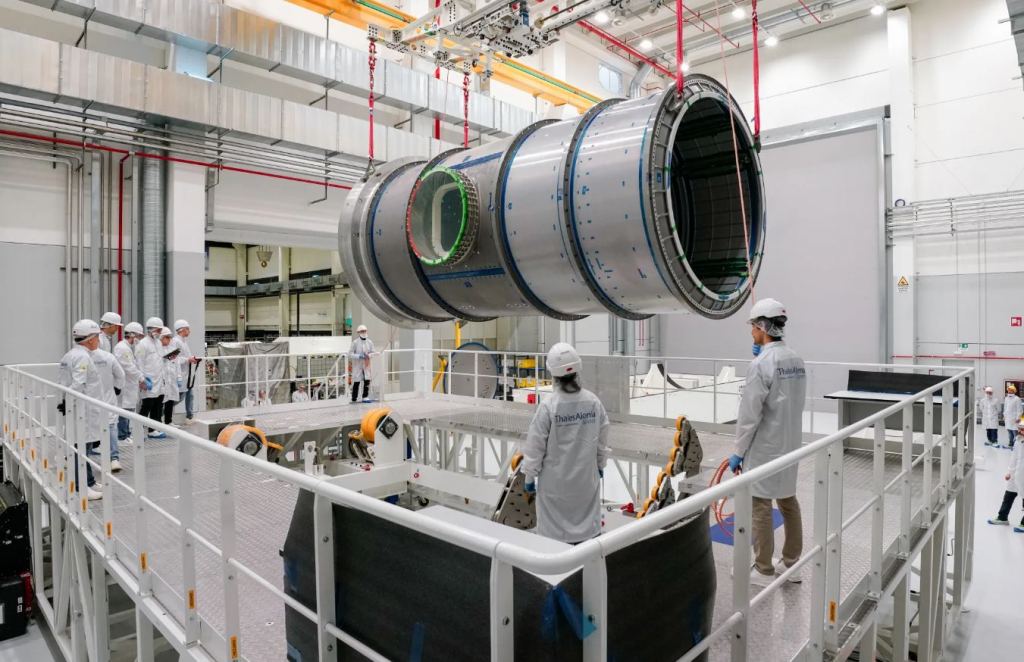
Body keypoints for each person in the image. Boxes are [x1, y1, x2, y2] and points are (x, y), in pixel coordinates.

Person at [729, 298, 807, 586]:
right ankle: (792, 564)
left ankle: (763, 569)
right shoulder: (795, 359)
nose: (751, 332)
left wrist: (738, 451)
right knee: (788, 500)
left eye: (753, 327)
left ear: (762, 327)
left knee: (760, 504)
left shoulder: (761, 364)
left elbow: (749, 414)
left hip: (765, 446)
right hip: (790, 443)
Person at [521, 343, 610, 544]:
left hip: (555, 487)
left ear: (552, 373)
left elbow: (535, 447)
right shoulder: (593, 402)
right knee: (588, 540)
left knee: (554, 544)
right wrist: (600, 465)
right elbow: (603, 439)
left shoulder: (549, 406)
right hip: (586, 482)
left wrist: (529, 477)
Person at [57, 320, 105, 501]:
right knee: (81, 447)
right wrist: (69, 401)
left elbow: (64, 383)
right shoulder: (83, 357)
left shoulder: (70, 355)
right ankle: (81, 487)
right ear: (91, 339)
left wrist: (64, 401)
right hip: (81, 410)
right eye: (97, 336)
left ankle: (89, 481)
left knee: (83, 445)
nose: (99, 340)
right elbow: (77, 385)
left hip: (77, 408)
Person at [91, 346, 125, 473]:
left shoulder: (79, 356)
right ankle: (114, 459)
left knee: (86, 427)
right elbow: (120, 375)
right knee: (110, 426)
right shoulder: (108, 357)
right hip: (107, 398)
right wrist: (118, 388)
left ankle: (75, 457)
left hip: (88, 399)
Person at [987, 418, 1024, 532]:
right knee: (1009, 494)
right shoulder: (1018, 440)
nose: (1020, 431)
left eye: (1022, 429)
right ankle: (1002, 517)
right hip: (1016, 474)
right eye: (1020, 429)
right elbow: (1014, 458)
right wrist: (1009, 472)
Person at [113, 322, 146, 446]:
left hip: (130, 384)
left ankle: (126, 433)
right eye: (138, 336)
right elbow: (128, 367)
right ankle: (122, 437)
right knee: (124, 409)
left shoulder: (127, 348)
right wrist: (141, 378)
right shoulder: (122, 348)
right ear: (132, 335)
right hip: (125, 384)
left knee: (128, 409)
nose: (139, 339)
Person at [136, 317, 166, 439]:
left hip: (159, 380)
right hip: (148, 380)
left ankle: (153, 430)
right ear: (151, 329)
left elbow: (159, 359)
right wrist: (141, 379)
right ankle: (138, 431)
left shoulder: (158, 343)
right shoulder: (142, 344)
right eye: (158, 330)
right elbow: (139, 363)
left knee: (157, 405)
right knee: (147, 406)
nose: (159, 333)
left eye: (160, 330)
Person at [173, 320, 201, 422]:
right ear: (182, 330)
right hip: (179, 375)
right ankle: (161, 412)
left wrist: (192, 358)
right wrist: (188, 359)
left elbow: (184, 357)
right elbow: (174, 359)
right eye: (188, 329)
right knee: (179, 398)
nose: (189, 331)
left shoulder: (183, 341)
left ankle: (190, 416)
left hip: (187, 375)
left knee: (190, 395)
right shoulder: (176, 342)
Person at [349, 324, 375, 403]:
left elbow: (373, 352)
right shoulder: (355, 342)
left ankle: (365, 396)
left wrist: (368, 355)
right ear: (358, 332)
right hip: (358, 365)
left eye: (364, 331)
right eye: (362, 331)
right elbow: (350, 354)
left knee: (367, 380)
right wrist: (359, 356)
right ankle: (354, 398)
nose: (363, 332)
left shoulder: (370, 342)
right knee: (356, 382)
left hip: (366, 364)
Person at [159, 338, 182, 426]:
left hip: (172, 380)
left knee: (170, 401)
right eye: (167, 337)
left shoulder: (172, 349)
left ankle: (168, 421)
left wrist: (179, 378)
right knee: (161, 402)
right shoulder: (158, 349)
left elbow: (177, 364)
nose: (169, 339)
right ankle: (158, 423)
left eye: (169, 337)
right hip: (162, 380)